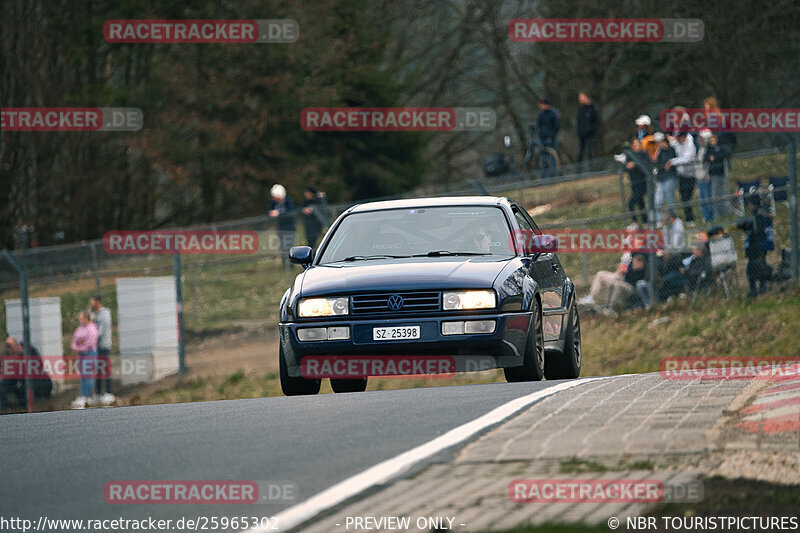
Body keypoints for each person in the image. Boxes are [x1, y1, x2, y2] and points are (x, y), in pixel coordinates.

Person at [1, 337, 52, 411]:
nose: (20, 348)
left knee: (23, 387)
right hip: (21, 380)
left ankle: (25, 407)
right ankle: (8, 408)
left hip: (40, 384)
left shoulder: (32, 356)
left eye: (22, 347)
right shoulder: (12, 356)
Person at [739, 195, 773, 297]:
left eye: (749, 204)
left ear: (753, 205)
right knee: (758, 268)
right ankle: (760, 289)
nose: (748, 206)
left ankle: (756, 291)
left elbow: (756, 231)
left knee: (753, 270)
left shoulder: (759, 216)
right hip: (762, 246)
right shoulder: (763, 213)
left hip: (757, 247)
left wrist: (746, 226)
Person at [668, 130, 698, 226]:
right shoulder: (678, 142)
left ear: (684, 136)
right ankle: (688, 218)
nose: (677, 139)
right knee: (683, 197)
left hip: (690, 175)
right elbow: (673, 144)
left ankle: (690, 219)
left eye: (679, 137)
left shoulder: (690, 144)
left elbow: (687, 158)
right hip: (681, 174)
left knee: (687, 197)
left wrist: (672, 162)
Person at [70, 311, 98, 410]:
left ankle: (88, 396)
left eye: (81, 317)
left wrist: (81, 347)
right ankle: (83, 396)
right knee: (83, 376)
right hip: (81, 355)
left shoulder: (91, 328)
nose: (80, 319)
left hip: (89, 354)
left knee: (88, 375)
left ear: (86, 317)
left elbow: (90, 342)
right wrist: (76, 347)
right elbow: (74, 341)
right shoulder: (80, 329)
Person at [90, 295, 115, 406]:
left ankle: (109, 393)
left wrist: (90, 338)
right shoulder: (94, 314)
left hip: (104, 345)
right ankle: (98, 394)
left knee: (105, 368)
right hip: (96, 346)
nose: (91, 303)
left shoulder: (105, 314)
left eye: (92, 301)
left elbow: (100, 331)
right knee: (98, 370)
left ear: (98, 302)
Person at [704, 133, 733, 220]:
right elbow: (705, 158)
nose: (712, 142)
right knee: (716, 195)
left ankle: (719, 214)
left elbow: (728, 153)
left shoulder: (721, 147)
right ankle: (720, 214)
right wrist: (710, 157)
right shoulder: (709, 149)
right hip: (712, 175)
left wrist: (715, 157)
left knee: (717, 195)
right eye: (710, 140)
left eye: (713, 140)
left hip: (719, 174)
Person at [267, 184, 296, 266]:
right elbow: (268, 211)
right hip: (280, 227)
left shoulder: (288, 201)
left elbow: (290, 211)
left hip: (290, 227)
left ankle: (291, 264)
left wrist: (279, 213)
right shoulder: (273, 203)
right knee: (282, 246)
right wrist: (270, 213)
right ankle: (285, 264)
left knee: (289, 245)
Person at [653, 133, 677, 225]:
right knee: (658, 200)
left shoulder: (671, 150)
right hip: (661, 178)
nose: (659, 144)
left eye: (660, 142)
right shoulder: (658, 151)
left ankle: (672, 219)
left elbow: (670, 162)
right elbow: (657, 164)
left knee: (669, 199)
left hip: (670, 177)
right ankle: (659, 220)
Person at [624, 139, 650, 224]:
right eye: (635, 145)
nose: (637, 146)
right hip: (634, 183)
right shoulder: (630, 155)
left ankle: (635, 222)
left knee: (631, 203)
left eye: (638, 144)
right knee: (640, 203)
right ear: (632, 146)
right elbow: (625, 166)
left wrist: (635, 164)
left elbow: (646, 164)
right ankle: (645, 220)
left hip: (643, 183)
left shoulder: (644, 154)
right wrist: (627, 166)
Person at [536, 98, 560, 177]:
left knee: (552, 158)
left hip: (551, 139)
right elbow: (538, 126)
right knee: (543, 159)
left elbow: (556, 127)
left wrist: (550, 136)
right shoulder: (540, 115)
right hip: (542, 139)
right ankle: (543, 175)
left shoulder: (554, 114)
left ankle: (554, 175)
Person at [576, 92, 599, 173]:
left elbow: (596, 122)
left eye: (581, 97)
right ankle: (579, 172)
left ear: (586, 97)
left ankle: (591, 170)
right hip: (581, 135)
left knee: (590, 152)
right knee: (580, 154)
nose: (580, 100)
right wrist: (579, 131)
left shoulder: (593, 108)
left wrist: (590, 131)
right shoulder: (580, 108)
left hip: (590, 135)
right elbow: (578, 121)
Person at [695, 129, 714, 223]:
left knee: (708, 198)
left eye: (702, 140)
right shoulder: (700, 150)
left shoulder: (709, 150)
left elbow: (708, 165)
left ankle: (710, 217)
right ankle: (705, 217)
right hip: (699, 178)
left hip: (706, 178)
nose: (700, 141)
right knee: (702, 199)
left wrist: (707, 175)